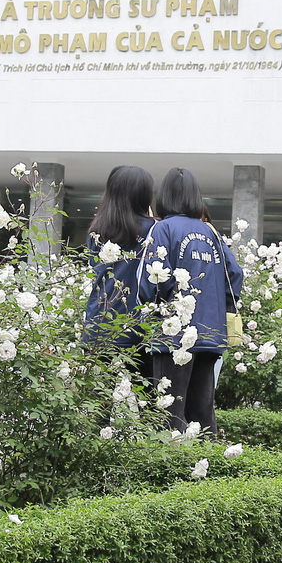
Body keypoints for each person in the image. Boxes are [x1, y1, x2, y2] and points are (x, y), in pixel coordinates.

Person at [137, 168, 242, 438]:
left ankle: (173, 472)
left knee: (169, 410)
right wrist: (220, 306)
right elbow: (236, 274)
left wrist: (154, 306)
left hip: (173, 335)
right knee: (202, 412)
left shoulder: (163, 229)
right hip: (211, 333)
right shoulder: (211, 233)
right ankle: (211, 468)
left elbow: (152, 280)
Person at [81, 165, 156, 365]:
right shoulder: (153, 230)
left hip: (98, 325)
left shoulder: (97, 229)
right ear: (145, 195)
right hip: (136, 330)